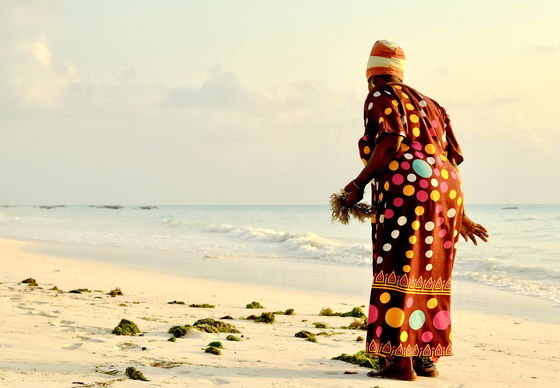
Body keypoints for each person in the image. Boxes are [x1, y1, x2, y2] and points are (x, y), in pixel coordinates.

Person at [343, 40, 488, 381]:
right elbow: (451, 158)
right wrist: (460, 213)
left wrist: (358, 183)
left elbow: (390, 141)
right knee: (431, 268)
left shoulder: (381, 95)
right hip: (447, 189)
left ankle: (399, 363)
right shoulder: (432, 104)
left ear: (371, 75)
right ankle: (426, 357)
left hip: (408, 190)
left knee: (396, 266)